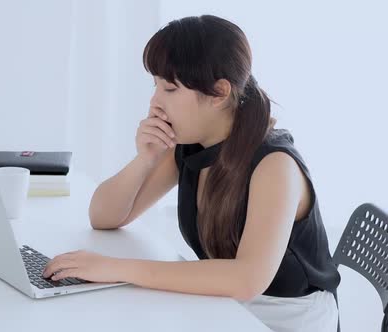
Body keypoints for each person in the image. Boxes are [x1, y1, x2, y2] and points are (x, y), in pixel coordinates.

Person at [42, 15, 340, 332]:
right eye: (155, 85)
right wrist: (145, 158)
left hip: (286, 316)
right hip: (230, 304)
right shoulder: (191, 144)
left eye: (170, 88)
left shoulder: (275, 165)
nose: (155, 101)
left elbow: (247, 279)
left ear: (219, 93)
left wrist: (116, 268)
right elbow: (103, 216)